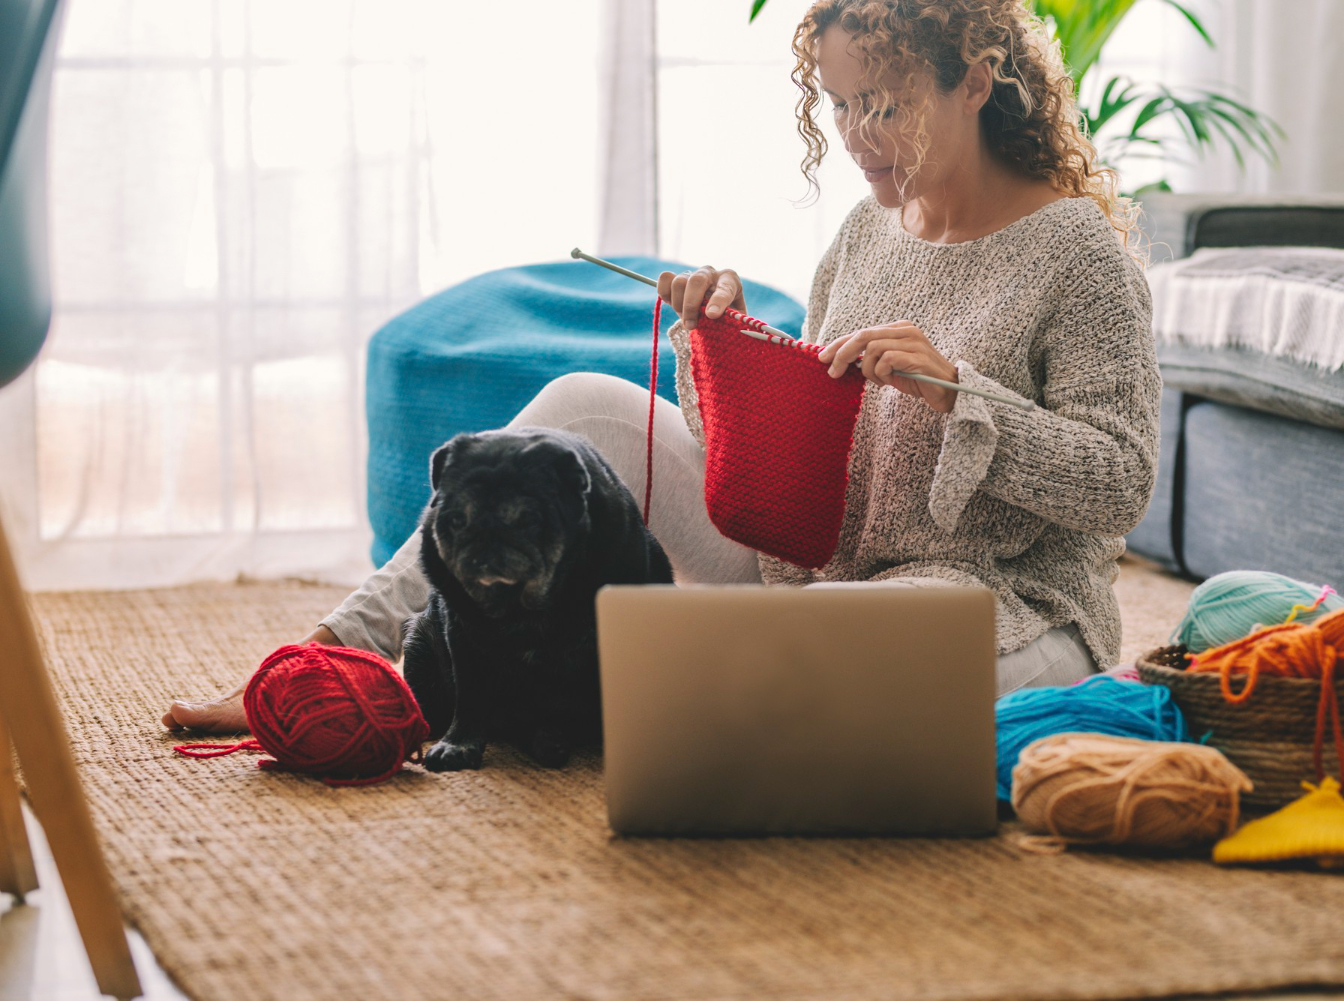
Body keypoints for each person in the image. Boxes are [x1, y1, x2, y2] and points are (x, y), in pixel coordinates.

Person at [162, 0, 1159, 735]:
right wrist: (725, 353)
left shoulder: (1077, 253)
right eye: (841, 104)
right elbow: (802, 460)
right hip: (813, 567)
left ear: (976, 79)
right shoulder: (867, 231)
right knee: (575, 409)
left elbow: (1120, 479)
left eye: (885, 105)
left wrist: (956, 392)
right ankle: (330, 659)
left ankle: (510, 693)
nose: (857, 136)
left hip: (999, 603)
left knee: (774, 669)